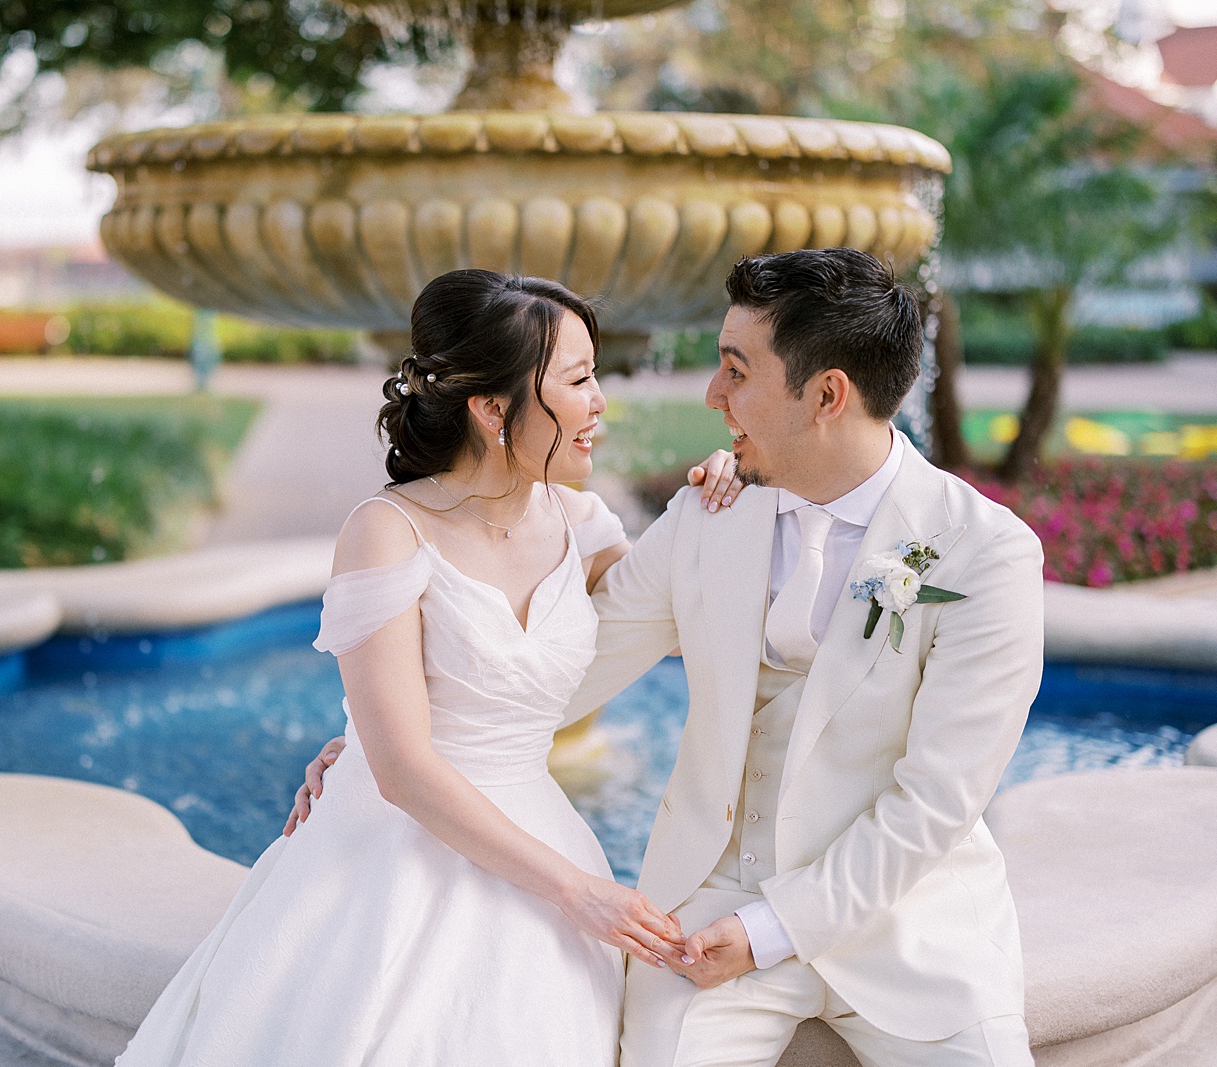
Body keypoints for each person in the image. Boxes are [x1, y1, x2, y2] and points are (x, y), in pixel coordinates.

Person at [295, 248, 1046, 1067]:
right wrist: (385, 743)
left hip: (912, 925)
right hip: (707, 910)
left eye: (735, 369)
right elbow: (551, 669)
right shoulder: (710, 515)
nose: (712, 394)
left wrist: (771, 930)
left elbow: (932, 805)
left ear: (827, 394)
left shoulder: (986, 556)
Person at [114, 269, 737, 1067]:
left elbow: (686, 630)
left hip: (538, 827)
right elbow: (404, 766)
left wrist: (719, 505)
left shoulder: (582, 523)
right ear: (492, 407)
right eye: (579, 380)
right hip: (393, 852)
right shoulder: (386, 531)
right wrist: (579, 892)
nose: (600, 402)